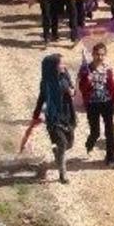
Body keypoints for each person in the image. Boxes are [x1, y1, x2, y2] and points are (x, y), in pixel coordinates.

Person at [30, 54, 76, 184]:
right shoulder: (46, 83)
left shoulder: (65, 74)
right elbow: (41, 98)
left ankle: (58, 152)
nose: (64, 66)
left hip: (67, 114)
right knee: (63, 143)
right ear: (53, 67)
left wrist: (71, 91)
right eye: (61, 64)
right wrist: (36, 115)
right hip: (54, 117)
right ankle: (62, 174)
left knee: (70, 143)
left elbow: (72, 89)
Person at [77, 43, 114, 165]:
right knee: (95, 131)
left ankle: (110, 157)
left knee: (110, 130)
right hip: (92, 104)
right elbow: (81, 88)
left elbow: (112, 85)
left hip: (107, 102)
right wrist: (88, 80)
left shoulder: (107, 68)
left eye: (102, 54)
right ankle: (90, 143)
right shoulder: (85, 69)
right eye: (97, 54)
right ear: (93, 54)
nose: (100, 57)